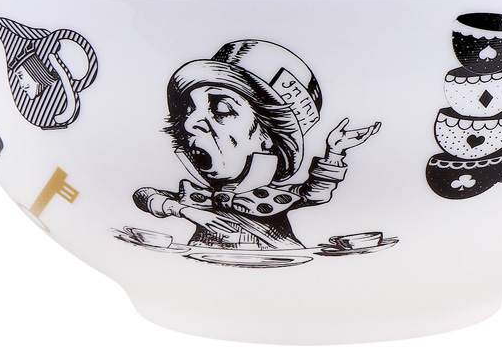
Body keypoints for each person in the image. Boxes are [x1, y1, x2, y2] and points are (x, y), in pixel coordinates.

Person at [133, 40, 379, 249]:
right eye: (189, 110)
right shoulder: (195, 198)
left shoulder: (276, 197)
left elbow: (316, 193)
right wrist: (184, 210)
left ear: (268, 136)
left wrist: (335, 151)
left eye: (221, 108)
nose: (190, 124)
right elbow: (144, 195)